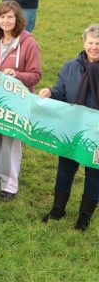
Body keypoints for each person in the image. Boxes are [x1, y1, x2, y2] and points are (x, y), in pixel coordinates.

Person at [0, 1, 41, 201]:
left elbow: (36, 75)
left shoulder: (28, 43)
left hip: (15, 103)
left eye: (10, 17)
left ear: (17, 19)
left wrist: (17, 75)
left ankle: (9, 185)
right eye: (2, 16)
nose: (6, 21)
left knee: (10, 144)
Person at [38, 23, 99, 231]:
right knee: (64, 169)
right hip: (71, 129)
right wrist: (49, 93)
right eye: (91, 43)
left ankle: (84, 218)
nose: (94, 47)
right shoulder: (70, 67)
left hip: (97, 134)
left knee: (94, 174)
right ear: (84, 43)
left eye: (98, 43)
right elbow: (60, 95)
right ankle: (57, 210)